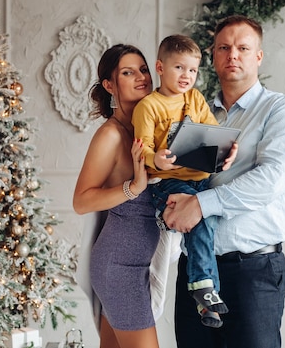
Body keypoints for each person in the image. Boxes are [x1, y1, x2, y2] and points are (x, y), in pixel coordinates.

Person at [164, 15, 285, 348]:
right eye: (224, 48)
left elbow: (270, 179)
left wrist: (200, 206)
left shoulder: (283, 111)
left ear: (258, 56)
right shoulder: (191, 112)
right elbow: (177, 175)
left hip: (253, 272)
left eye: (243, 48)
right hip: (195, 272)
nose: (233, 55)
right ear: (213, 56)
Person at [132, 34, 237, 329]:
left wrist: (228, 152)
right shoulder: (149, 106)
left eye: (192, 70)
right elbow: (142, 151)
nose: (186, 76)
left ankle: (206, 296)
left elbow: (215, 135)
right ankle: (204, 290)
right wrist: (157, 160)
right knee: (200, 218)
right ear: (160, 67)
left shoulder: (195, 98)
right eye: (179, 68)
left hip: (200, 180)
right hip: (167, 182)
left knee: (208, 223)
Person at [73, 44, 172, 348]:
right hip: (119, 268)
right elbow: (82, 201)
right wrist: (134, 189)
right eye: (128, 72)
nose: (141, 77)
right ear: (109, 85)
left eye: (143, 69)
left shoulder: (148, 130)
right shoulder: (111, 135)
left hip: (138, 264)